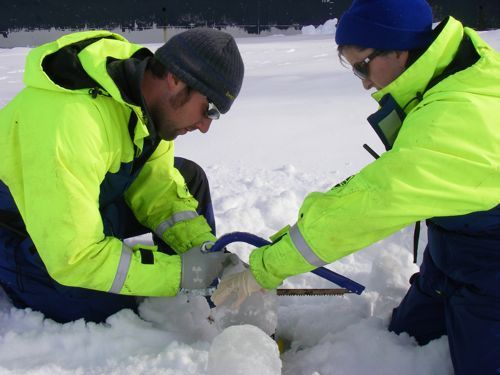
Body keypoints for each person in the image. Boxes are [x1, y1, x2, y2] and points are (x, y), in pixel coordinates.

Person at [212, 0, 500, 373]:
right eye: (354, 70)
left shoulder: (453, 116)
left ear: (399, 48)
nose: (364, 82)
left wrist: (265, 268)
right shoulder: (454, 71)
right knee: (402, 338)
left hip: (490, 268)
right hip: (451, 258)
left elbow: (367, 205)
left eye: (363, 65)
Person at [0, 28, 244, 323]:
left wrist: (207, 255)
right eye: (210, 109)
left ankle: (197, 289)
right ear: (176, 78)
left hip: (79, 202)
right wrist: (180, 274)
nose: (205, 126)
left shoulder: (146, 103)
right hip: (18, 226)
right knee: (103, 305)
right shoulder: (70, 121)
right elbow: (74, 258)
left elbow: (158, 191)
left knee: (188, 179)